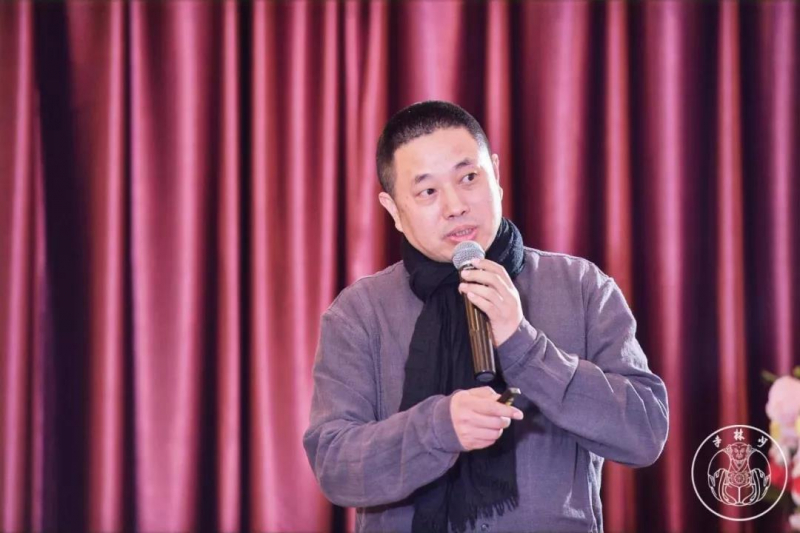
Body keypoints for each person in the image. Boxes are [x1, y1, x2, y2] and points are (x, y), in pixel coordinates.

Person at [303, 100, 669, 533]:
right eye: (427, 192)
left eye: (469, 178)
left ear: (495, 175)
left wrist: (525, 348)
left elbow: (644, 433)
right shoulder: (360, 312)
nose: (455, 205)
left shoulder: (581, 287)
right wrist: (437, 428)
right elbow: (335, 466)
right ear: (394, 210)